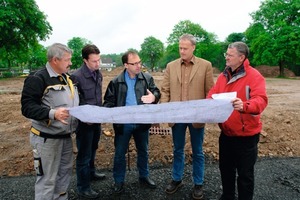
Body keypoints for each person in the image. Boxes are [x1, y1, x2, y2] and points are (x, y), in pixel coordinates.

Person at [207, 42, 268, 200]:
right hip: (226, 134)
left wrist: (245, 105)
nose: (226, 57)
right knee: (225, 169)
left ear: (241, 57)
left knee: (245, 175)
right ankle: (227, 196)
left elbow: (261, 100)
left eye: (230, 55)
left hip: (246, 136)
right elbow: (212, 95)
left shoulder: (254, 76)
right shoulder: (223, 76)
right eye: (226, 54)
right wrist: (206, 105)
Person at [21, 43, 79, 200]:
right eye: (67, 60)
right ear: (55, 60)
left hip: (66, 138)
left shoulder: (67, 78)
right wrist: (52, 114)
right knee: (47, 181)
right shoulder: (37, 78)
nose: (70, 63)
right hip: (47, 140)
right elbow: (27, 107)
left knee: (63, 177)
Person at [160, 33, 214, 200]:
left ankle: (198, 183)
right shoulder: (171, 66)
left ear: (193, 48)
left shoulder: (205, 66)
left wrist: (206, 113)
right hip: (177, 116)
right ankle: (177, 179)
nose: (181, 51)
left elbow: (209, 92)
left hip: (197, 116)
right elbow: (165, 90)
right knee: (177, 150)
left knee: (197, 151)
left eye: (185, 48)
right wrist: (166, 109)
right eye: (180, 48)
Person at [103, 50, 161, 194]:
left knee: (143, 151)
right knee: (119, 153)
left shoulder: (147, 78)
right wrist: (112, 113)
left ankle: (144, 176)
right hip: (123, 125)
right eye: (134, 63)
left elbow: (156, 92)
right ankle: (119, 181)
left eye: (139, 62)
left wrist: (154, 97)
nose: (138, 66)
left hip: (142, 122)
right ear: (125, 65)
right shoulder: (116, 82)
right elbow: (108, 102)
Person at [70, 44, 105, 199]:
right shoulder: (76, 77)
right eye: (94, 61)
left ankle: (91, 173)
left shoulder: (99, 74)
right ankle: (83, 187)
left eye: (99, 60)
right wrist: (86, 116)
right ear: (85, 60)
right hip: (84, 123)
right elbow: (76, 102)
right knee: (84, 154)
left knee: (93, 148)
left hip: (96, 120)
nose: (97, 64)